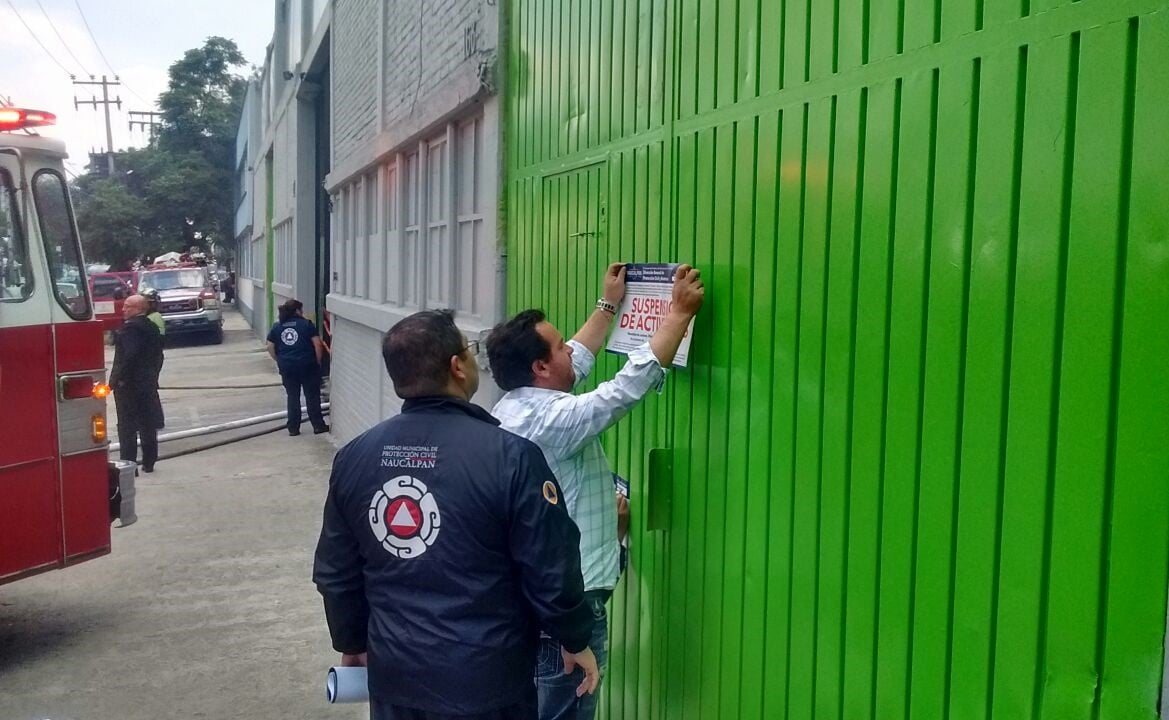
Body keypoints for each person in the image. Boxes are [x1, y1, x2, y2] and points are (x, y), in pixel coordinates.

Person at [313, 309, 601, 720]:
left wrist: (353, 641)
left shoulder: (355, 458)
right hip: (487, 681)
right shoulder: (510, 457)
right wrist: (575, 638)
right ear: (457, 366)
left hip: (396, 678)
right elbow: (549, 567)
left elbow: (336, 572)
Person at [486, 262, 705, 720]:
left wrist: (608, 304)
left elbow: (575, 364)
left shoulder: (516, 407)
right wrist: (678, 316)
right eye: (559, 345)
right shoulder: (552, 421)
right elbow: (624, 389)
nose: (571, 349)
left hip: (536, 598)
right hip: (569, 605)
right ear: (539, 366)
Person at [110, 294, 165, 473]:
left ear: (140, 309)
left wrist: (116, 380)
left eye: (128, 307)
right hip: (148, 383)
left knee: (127, 426)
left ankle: (129, 465)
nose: (123, 310)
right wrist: (153, 376)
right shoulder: (152, 327)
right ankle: (149, 462)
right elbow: (159, 356)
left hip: (129, 385)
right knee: (148, 423)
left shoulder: (130, 329)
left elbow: (128, 357)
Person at [266, 299, 328, 436]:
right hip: (307, 365)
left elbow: (270, 346)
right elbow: (317, 344)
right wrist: (317, 361)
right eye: (301, 310)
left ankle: (293, 428)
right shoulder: (306, 325)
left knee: (292, 397)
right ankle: (318, 425)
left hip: (287, 367)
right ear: (297, 311)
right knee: (312, 396)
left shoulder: (277, 327)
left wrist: (279, 360)